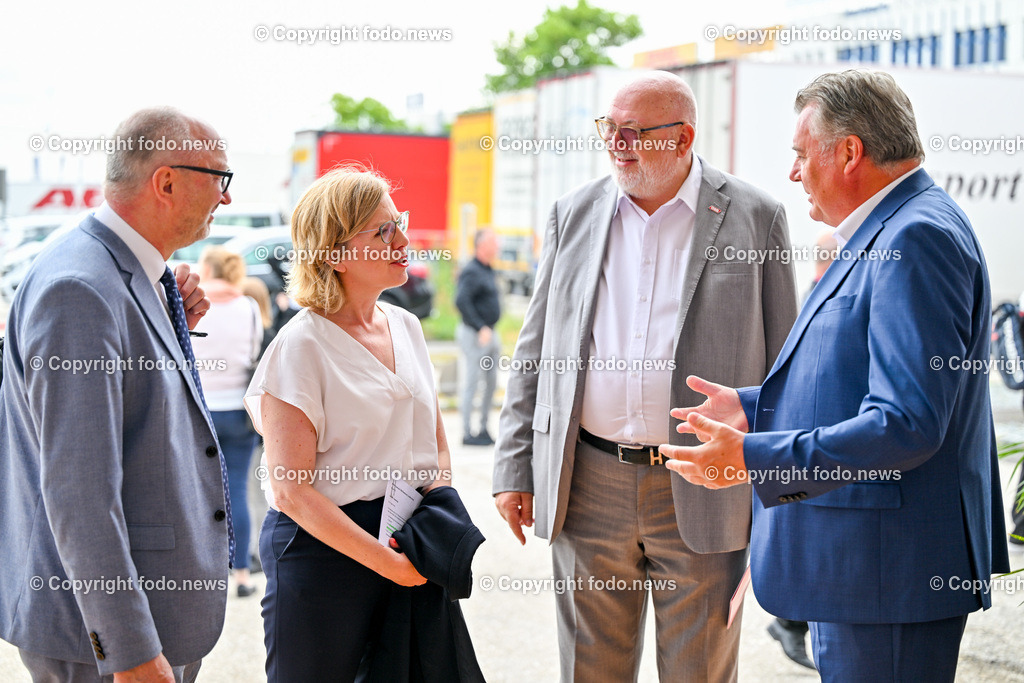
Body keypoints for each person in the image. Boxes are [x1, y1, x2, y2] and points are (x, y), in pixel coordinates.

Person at [662, 70, 1011, 682]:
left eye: (801, 154)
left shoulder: (916, 236)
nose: (793, 173)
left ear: (851, 152)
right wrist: (758, 403)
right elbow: (854, 371)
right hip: (863, 568)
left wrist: (753, 457)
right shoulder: (888, 228)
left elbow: (906, 423)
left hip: (886, 572)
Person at [493, 71, 798, 682]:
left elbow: (785, 366)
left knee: (700, 672)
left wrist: (777, 484)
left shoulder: (755, 217)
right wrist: (514, 466)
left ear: (683, 137)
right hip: (588, 483)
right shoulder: (573, 214)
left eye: (636, 131)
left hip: (706, 481)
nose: (617, 143)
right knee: (590, 670)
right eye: (610, 128)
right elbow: (535, 349)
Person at [0, 107, 233, 682]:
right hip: (102, 640)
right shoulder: (81, 288)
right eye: (219, 179)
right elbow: (78, 491)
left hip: (142, 618)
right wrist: (126, 649)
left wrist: (169, 308)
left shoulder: (121, 271)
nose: (225, 199)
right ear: (167, 181)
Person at [245, 167, 456, 681]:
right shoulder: (301, 348)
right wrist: (390, 565)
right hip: (323, 550)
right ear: (334, 254)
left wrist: (437, 517)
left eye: (399, 222)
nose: (403, 240)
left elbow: (434, 442)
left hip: (405, 534)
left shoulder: (406, 326)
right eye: (384, 231)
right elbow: (292, 492)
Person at [767, 230, 838, 671]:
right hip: (811, 442)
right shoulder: (819, 296)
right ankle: (791, 621)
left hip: (816, 442)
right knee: (808, 540)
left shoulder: (818, 292)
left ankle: (792, 620)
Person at [192, 247, 264, 598]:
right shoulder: (249, 307)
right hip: (239, 412)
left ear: (207, 269)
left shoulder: (193, 306)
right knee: (236, 490)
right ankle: (242, 575)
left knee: (196, 493)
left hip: (199, 412)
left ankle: (202, 574)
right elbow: (253, 355)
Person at [456, 228, 502, 446]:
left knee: (491, 384)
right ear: (482, 245)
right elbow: (461, 301)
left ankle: (483, 428)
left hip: (490, 333)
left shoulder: (488, 269)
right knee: (472, 383)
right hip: (475, 334)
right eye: (494, 242)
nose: (498, 246)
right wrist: (480, 326)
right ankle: (467, 432)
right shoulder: (472, 271)